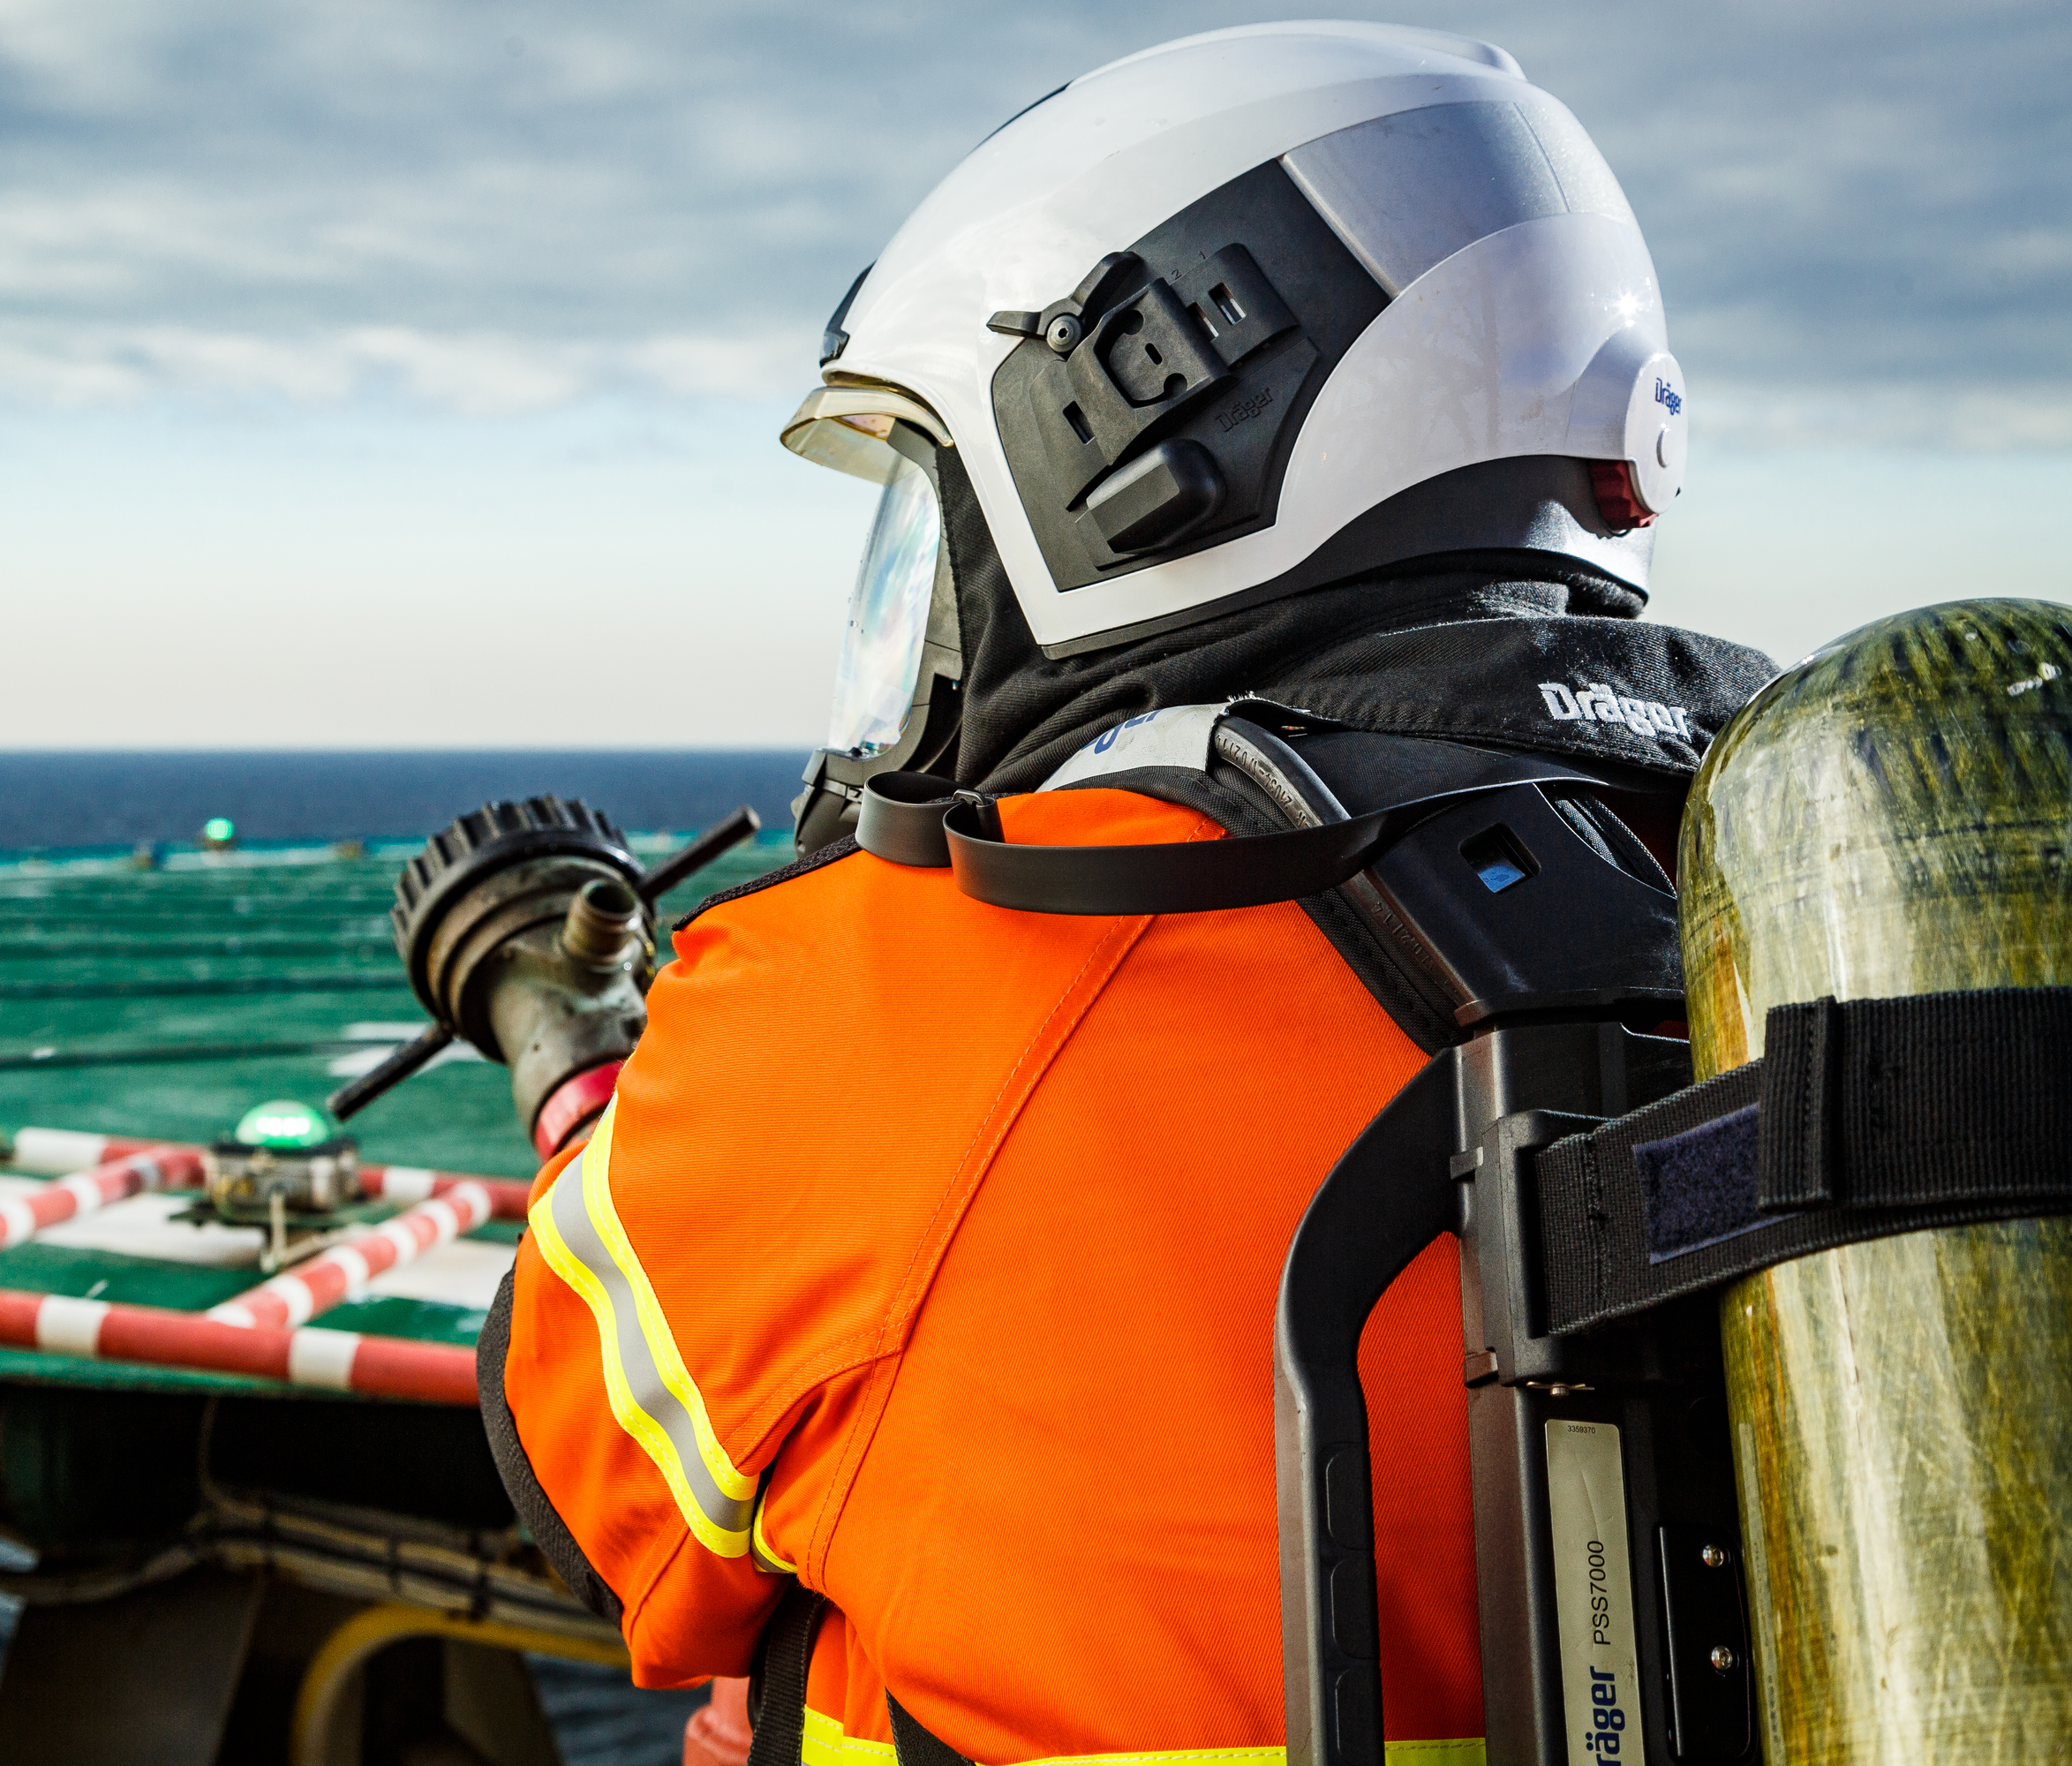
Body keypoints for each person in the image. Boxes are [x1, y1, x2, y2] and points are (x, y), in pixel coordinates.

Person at [479, 23, 1775, 1765]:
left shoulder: (898, 997)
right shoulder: (1833, 909)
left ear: (1134, 436)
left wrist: (553, 1030)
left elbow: (581, 1472)